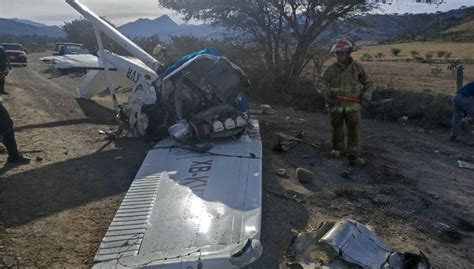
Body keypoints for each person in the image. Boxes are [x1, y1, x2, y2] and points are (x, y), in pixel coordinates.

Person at [322, 39, 373, 166]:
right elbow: (320, 82)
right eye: (337, 54)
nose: (339, 56)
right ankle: (338, 149)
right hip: (335, 106)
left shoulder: (358, 67)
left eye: (341, 54)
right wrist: (326, 94)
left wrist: (366, 96)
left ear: (348, 54)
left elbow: (368, 82)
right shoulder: (331, 69)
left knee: (354, 129)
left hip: (353, 106)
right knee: (337, 128)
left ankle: (354, 155)